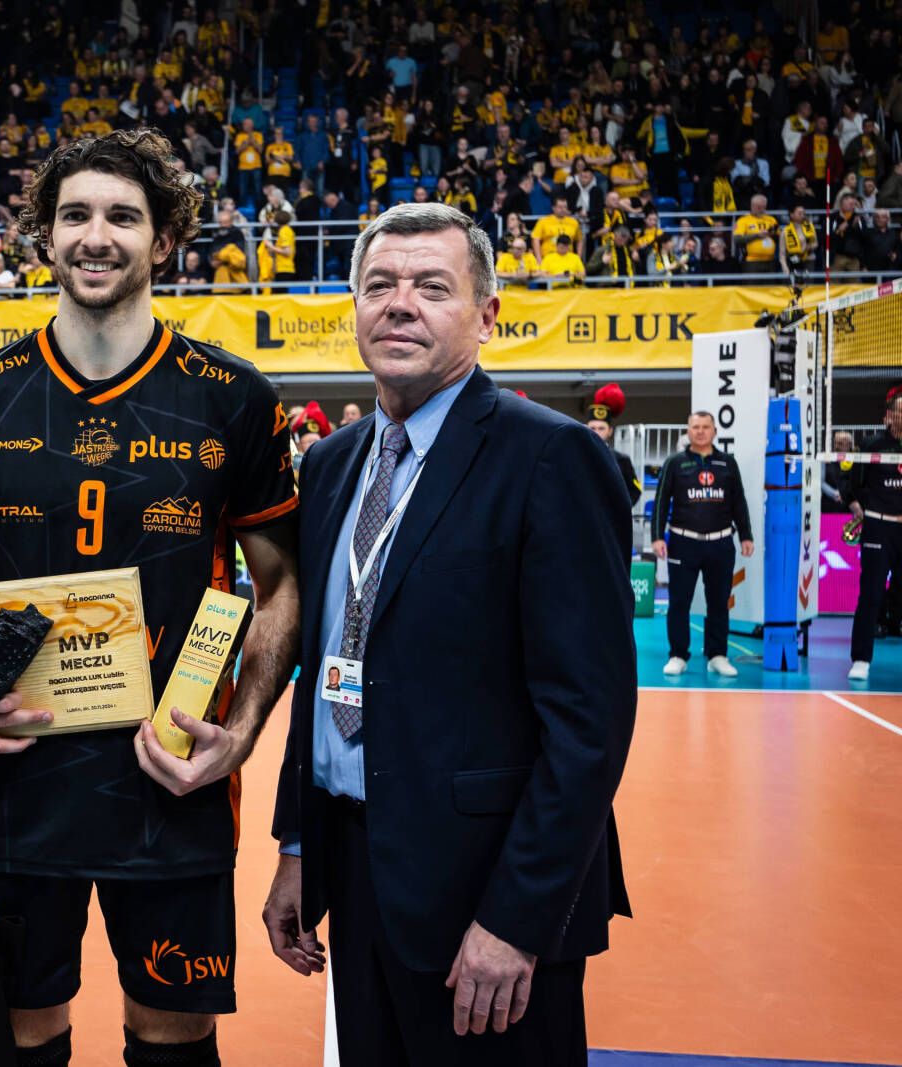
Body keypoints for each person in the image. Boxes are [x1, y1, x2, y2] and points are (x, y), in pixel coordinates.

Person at [0, 129, 300, 1067]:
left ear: (165, 240)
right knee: (17, 1034)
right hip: (10, 776)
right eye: (74, 214)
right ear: (45, 234)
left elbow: (282, 585)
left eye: (123, 216)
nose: (96, 235)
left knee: (172, 1039)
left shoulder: (235, 398)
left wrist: (240, 733)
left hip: (172, 777)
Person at [265, 202, 636, 1065]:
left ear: (487, 314)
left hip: (486, 893)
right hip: (356, 871)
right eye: (379, 285)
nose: (400, 303)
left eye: (432, 286)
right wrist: (299, 846)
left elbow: (589, 723)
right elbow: (328, 666)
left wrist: (517, 918)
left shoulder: (551, 458)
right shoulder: (330, 463)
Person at [651, 412, 755, 677]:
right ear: (688, 431)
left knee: (719, 602)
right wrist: (657, 536)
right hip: (683, 542)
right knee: (679, 602)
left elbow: (739, 501)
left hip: (720, 543)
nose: (700, 431)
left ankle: (717, 655)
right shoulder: (675, 463)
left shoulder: (727, 463)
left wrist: (746, 535)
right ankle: (677, 655)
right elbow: (661, 500)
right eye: (695, 427)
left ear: (714, 431)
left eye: (705, 427)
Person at [841, 393, 902, 681]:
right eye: (899, 411)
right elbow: (852, 484)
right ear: (889, 415)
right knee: (871, 593)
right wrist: (858, 507)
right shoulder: (871, 445)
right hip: (879, 526)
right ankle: (861, 659)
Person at [584, 383, 643, 508]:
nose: (596, 432)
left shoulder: (621, 459)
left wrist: (620, 510)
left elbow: (635, 490)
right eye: (592, 428)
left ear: (610, 431)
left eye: (601, 428)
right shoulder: (578, 455)